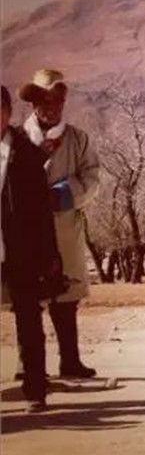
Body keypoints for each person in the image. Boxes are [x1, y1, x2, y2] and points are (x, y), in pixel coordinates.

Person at [18, 69, 99, 378]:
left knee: (66, 298)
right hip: (27, 231)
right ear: (33, 103)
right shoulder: (18, 138)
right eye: (45, 101)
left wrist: (65, 194)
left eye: (57, 101)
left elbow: (92, 177)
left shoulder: (78, 139)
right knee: (29, 299)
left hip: (64, 228)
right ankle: (28, 364)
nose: (51, 107)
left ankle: (70, 360)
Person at [1, 85, 66, 412]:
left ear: (8, 111)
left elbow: (41, 208)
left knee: (28, 318)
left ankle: (35, 390)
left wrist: (50, 255)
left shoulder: (25, 151)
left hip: (21, 247)